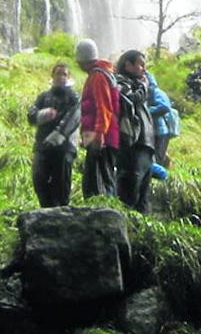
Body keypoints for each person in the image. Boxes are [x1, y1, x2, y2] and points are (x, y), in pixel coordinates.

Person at [28, 62, 81, 207]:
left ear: (68, 77)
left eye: (64, 74)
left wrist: (60, 134)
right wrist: (41, 115)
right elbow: (31, 114)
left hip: (65, 146)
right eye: (58, 73)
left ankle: (61, 209)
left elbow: (75, 116)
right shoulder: (44, 97)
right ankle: (45, 208)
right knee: (39, 176)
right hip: (43, 145)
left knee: (61, 181)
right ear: (53, 76)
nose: (61, 77)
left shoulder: (73, 97)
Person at [114, 50, 157, 213]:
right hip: (133, 145)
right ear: (128, 65)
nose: (144, 69)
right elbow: (129, 100)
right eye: (141, 64)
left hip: (145, 145)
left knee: (143, 197)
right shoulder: (120, 82)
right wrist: (144, 87)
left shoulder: (137, 83)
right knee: (130, 190)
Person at [76, 38, 119, 198]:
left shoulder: (98, 77)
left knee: (97, 180)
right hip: (102, 136)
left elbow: (104, 107)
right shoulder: (102, 73)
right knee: (98, 177)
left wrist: (100, 134)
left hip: (102, 138)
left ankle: (103, 213)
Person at [147, 71, 179, 166]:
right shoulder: (146, 92)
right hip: (151, 129)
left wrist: (147, 110)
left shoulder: (157, 93)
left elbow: (164, 107)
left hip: (160, 130)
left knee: (158, 155)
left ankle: (159, 175)